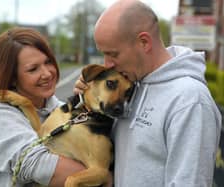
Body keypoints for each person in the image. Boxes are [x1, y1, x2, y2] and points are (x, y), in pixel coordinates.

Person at [74, 0, 222, 186]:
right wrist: (88, 100)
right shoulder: (131, 86)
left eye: (113, 54)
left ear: (144, 42)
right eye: (104, 54)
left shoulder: (190, 100)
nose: (107, 64)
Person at [0, 27, 87, 187]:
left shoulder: (60, 109)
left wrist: (88, 104)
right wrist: (102, 177)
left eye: (48, 62)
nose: (47, 73)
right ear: (11, 78)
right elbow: (38, 166)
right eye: (33, 69)